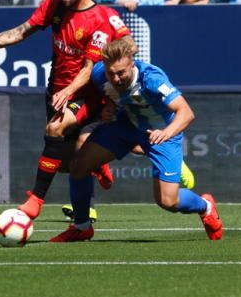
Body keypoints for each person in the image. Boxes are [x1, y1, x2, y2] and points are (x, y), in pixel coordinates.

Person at [0, 0, 131, 221]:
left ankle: (35, 200)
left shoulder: (99, 19)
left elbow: (88, 69)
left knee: (54, 129)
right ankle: (95, 161)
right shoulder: (55, 5)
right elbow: (21, 32)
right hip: (56, 90)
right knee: (67, 165)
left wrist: (69, 91)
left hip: (85, 93)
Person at [64, 37, 224, 241]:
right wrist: (107, 107)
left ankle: (205, 206)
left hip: (161, 133)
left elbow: (186, 112)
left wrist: (166, 133)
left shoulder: (152, 79)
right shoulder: (99, 74)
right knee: (78, 166)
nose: (116, 78)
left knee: (168, 201)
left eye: (121, 72)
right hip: (125, 126)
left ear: (132, 63)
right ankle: (81, 226)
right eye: (111, 73)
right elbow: (101, 95)